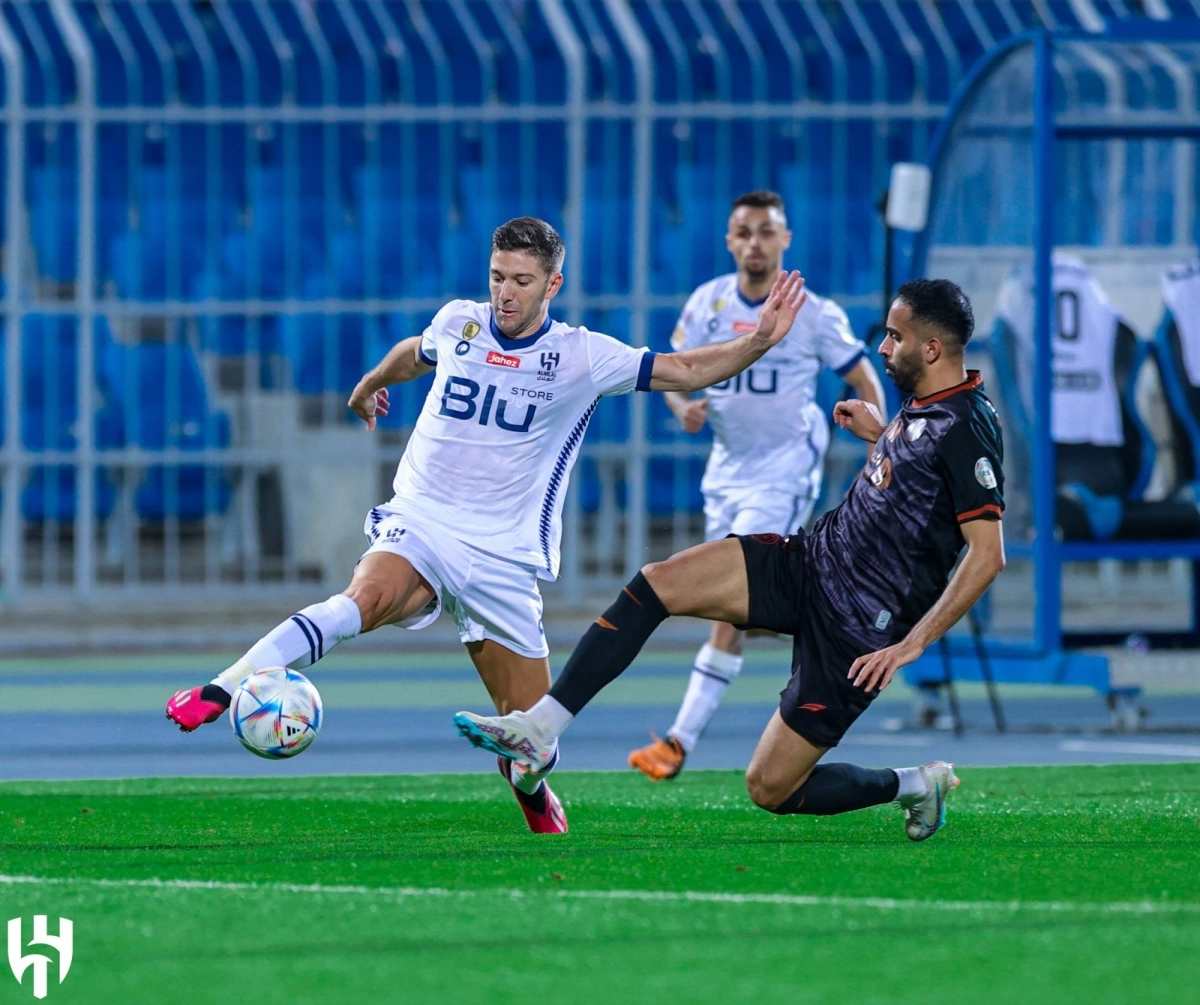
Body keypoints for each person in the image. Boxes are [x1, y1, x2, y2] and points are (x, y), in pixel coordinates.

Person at [165, 216, 809, 835]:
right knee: (363, 599)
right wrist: (367, 385)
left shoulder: (584, 356)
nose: (504, 292)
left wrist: (758, 341)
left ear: (552, 285)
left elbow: (687, 369)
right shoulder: (459, 322)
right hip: (422, 519)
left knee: (530, 734)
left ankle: (530, 787)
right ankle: (221, 689)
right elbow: (412, 355)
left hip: (503, 557)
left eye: (521, 281)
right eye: (498, 275)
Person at [454, 278, 1005, 842]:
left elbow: (987, 556)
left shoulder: (967, 427)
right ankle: (543, 727)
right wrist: (881, 435)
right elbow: (916, 485)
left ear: (932, 349)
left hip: (860, 629)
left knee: (771, 788)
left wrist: (909, 646)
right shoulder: (923, 406)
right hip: (812, 562)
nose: (884, 348)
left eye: (895, 336)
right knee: (656, 583)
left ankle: (914, 784)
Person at [628, 190, 884, 780]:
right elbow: (674, 368)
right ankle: (841, 617)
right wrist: (681, 408)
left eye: (766, 232)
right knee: (745, 609)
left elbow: (862, 372)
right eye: (744, 232)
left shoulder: (814, 312)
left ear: (785, 240)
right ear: (729, 240)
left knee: (728, 600)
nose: (755, 243)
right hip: (727, 471)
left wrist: (880, 441)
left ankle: (678, 741)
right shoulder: (708, 302)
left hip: (785, 469)